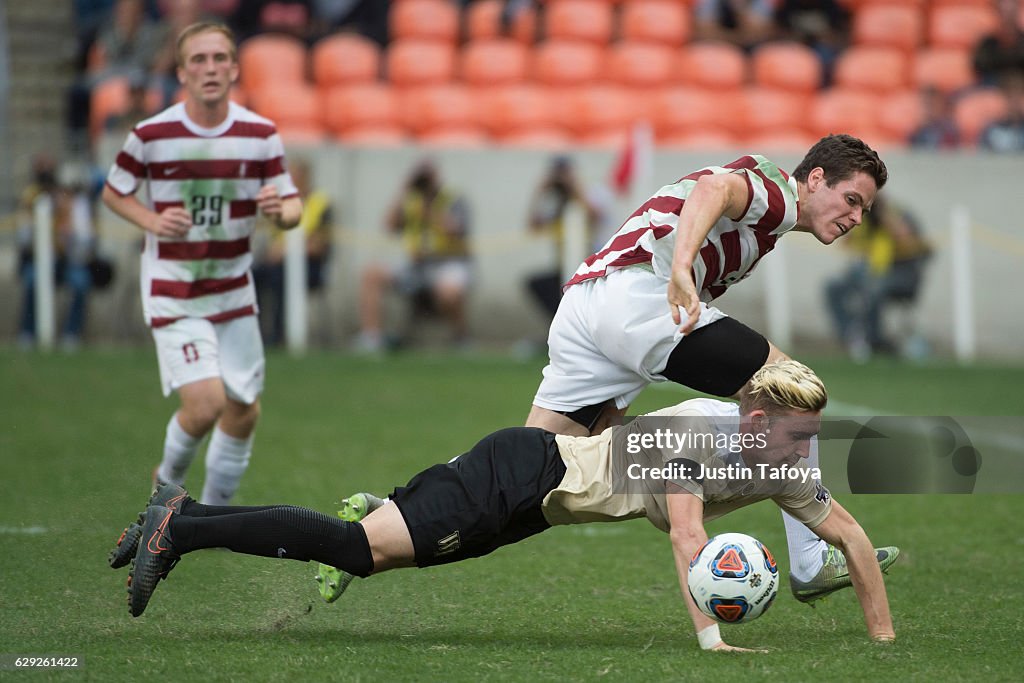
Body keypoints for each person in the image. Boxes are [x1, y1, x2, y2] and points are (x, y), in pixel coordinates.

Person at [116, 360, 898, 653]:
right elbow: (687, 535)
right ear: (758, 422)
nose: (808, 451)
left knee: (368, 551)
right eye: (801, 435)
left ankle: (177, 517)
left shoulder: (783, 461)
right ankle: (179, 526)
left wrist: (884, 643)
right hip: (520, 472)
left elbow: (853, 536)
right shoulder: (694, 434)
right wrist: (711, 641)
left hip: (531, 501)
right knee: (358, 548)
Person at [525, 134, 888, 601]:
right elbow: (713, 189)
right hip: (637, 297)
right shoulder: (779, 197)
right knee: (793, 391)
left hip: (586, 301)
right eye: (851, 200)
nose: (856, 217)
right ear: (816, 179)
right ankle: (810, 559)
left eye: (864, 209)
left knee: (529, 465)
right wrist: (680, 269)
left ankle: (411, 509)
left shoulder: (771, 215)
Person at [101, 23, 302, 511]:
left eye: (219, 59)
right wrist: (152, 219)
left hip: (233, 293)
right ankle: (165, 489)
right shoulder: (152, 135)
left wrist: (280, 212)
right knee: (206, 404)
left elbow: (292, 205)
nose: (209, 68)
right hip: (175, 291)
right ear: (181, 72)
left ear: (234, 68)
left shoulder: (260, 135)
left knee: (244, 411)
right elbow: (113, 191)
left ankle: (210, 514)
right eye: (198, 60)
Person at [355, 159, 472, 352]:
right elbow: (389, 226)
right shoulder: (410, 199)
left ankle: (460, 337)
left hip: (446, 262)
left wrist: (429, 212)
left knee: (449, 290)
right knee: (372, 274)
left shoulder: (453, 198)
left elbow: (457, 230)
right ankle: (372, 337)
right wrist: (404, 189)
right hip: (415, 265)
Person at [825, 194, 932, 361]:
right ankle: (849, 337)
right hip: (870, 272)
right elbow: (846, 242)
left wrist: (884, 215)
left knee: (874, 288)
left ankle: (875, 341)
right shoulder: (864, 218)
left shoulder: (900, 215)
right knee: (833, 286)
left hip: (902, 274)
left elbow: (907, 239)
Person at [17, 157, 99, 351]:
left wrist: (69, 234)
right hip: (41, 261)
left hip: (70, 262)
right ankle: (28, 333)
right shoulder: (34, 200)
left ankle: (71, 335)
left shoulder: (78, 205)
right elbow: (23, 240)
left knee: (80, 283)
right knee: (31, 280)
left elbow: (86, 247)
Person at [253, 158, 333, 346]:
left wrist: (287, 251)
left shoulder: (321, 203)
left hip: (310, 265)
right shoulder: (281, 202)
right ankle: (256, 335)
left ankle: (279, 336)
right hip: (278, 261)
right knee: (254, 276)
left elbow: (320, 244)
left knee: (280, 278)